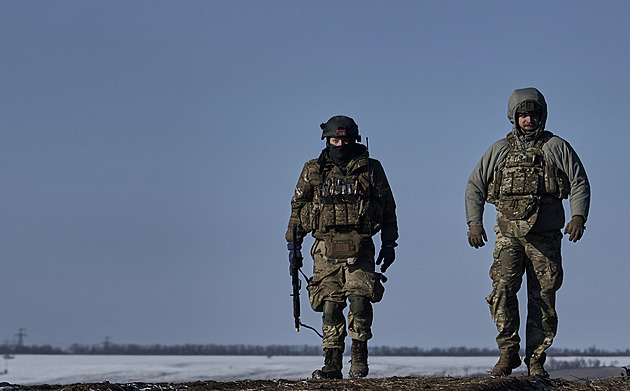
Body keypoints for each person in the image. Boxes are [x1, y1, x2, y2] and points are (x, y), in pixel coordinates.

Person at [465, 88, 590, 378]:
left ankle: (536, 358)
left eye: (533, 114)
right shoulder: (499, 150)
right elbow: (475, 186)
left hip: (544, 235)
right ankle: (507, 353)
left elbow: (579, 180)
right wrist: (474, 223)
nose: (528, 120)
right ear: (514, 117)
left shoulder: (556, 147)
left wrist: (578, 216)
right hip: (508, 235)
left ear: (541, 115)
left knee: (543, 297)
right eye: (522, 115)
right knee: (503, 291)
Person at [286, 115, 398, 379]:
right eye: (334, 139)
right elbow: (297, 209)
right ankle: (332, 363)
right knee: (330, 305)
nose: (339, 144)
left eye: (344, 139)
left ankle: (359, 358)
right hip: (325, 249)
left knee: (360, 300)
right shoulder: (312, 170)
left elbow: (388, 208)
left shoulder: (371, 169)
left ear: (354, 139)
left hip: (361, 246)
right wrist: (294, 245)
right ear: (327, 140)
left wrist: (389, 242)